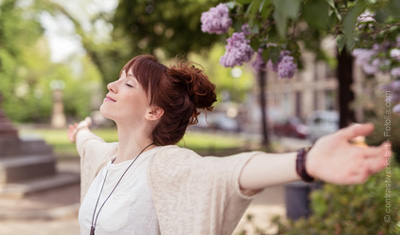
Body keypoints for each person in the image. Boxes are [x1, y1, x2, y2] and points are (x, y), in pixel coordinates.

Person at [68, 54, 390, 235]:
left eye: (127, 82)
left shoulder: (163, 165)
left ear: (154, 111)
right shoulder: (103, 157)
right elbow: (87, 143)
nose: (112, 84)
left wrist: (305, 162)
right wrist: (80, 131)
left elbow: (228, 172)